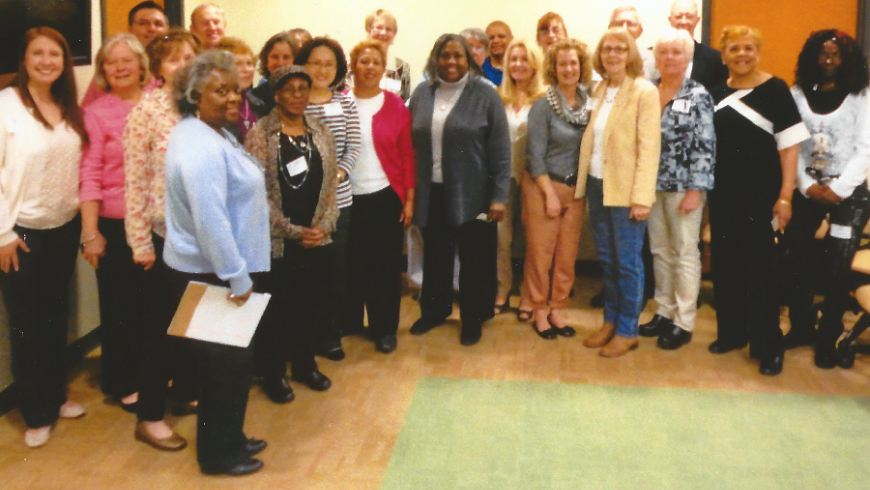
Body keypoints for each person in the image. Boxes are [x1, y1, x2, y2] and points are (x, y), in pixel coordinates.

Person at [164, 50, 269, 475]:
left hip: (216, 270)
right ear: (193, 96)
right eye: (219, 90)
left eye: (235, 89)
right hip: (215, 274)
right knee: (224, 370)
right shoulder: (201, 148)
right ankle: (218, 454)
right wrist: (238, 277)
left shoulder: (208, 132)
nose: (233, 98)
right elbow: (211, 222)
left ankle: (230, 436)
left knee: (226, 368)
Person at [0, 27, 89, 448]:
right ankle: (36, 412)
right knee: (27, 325)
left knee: (57, 316)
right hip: (21, 234)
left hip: (64, 228)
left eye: (55, 54)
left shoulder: (67, 105)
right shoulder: (6, 105)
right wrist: (2, 233)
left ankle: (56, 395)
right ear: (24, 58)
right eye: (38, 53)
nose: (47, 61)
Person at [707, 25, 809, 376]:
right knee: (726, 263)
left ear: (758, 52)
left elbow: (790, 147)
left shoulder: (776, 89)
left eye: (749, 48)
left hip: (762, 196)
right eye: (734, 49)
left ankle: (769, 345)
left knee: (761, 269)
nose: (742, 55)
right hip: (722, 194)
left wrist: (785, 196)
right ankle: (732, 333)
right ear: (723, 55)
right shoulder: (716, 92)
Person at [408, 34, 511, 346]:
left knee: (476, 258)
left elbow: (501, 150)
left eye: (458, 56)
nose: (451, 62)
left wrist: (499, 196)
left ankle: (473, 317)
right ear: (435, 58)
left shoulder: (486, 94)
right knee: (436, 255)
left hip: (476, 196)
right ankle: (435, 311)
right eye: (444, 55)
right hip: (433, 192)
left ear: (469, 59)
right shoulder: (423, 92)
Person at [123, 28, 199, 450]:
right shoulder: (146, 113)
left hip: (200, 239)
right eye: (172, 59)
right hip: (163, 239)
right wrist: (140, 243)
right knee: (159, 334)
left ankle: (185, 392)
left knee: (192, 324)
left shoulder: (201, 108)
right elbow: (134, 183)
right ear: (157, 69)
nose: (183, 64)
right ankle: (150, 418)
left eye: (189, 56)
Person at [246, 65, 339, 401]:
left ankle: (304, 365)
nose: (297, 95)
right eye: (289, 89)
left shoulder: (321, 132)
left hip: (316, 237)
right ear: (275, 94)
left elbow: (330, 188)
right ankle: (275, 374)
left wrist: (323, 226)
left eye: (303, 88)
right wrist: (291, 230)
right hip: (278, 242)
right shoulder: (259, 134)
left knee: (310, 307)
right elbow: (257, 195)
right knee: (277, 311)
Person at [782, 29, 870, 368]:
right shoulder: (797, 93)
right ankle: (803, 326)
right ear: (812, 57)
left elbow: (865, 149)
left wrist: (838, 188)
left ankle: (829, 333)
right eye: (823, 54)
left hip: (848, 193)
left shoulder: (861, 96)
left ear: (846, 58)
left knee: (837, 267)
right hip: (808, 190)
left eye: (836, 54)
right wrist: (806, 186)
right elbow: (793, 145)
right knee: (791, 257)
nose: (829, 60)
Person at [575, 27, 661, 357]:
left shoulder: (643, 91)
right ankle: (610, 321)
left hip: (627, 191)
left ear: (630, 55)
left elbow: (649, 147)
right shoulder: (599, 88)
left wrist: (642, 197)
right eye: (607, 49)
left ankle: (628, 329)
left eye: (619, 49)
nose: (612, 54)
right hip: (598, 184)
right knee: (608, 260)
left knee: (628, 263)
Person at [79, 33, 149, 411]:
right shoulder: (96, 111)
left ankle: (155, 373)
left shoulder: (160, 104)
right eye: (111, 62)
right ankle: (124, 382)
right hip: (114, 223)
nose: (120, 67)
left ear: (142, 65)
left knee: (153, 306)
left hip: (157, 222)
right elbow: (88, 175)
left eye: (127, 59)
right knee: (121, 307)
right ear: (103, 70)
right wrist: (91, 235)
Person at [638, 28, 715, 350]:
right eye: (663, 52)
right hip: (650, 187)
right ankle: (664, 312)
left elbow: (705, 146)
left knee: (684, 253)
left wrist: (696, 189)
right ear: (655, 57)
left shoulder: (698, 95)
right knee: (659, 250)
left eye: (676, 52)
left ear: (687, 58)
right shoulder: (646, 92)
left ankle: (683, 321)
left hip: (685, 189)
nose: (669, 58)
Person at [343, 41, 416, 354]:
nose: (369, 67)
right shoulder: (340, 102)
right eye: (363, 61)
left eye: (376, 62)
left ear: (383, 68)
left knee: (384, 268)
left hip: (385, 195)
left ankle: (385, 328)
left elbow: (407, 156)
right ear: (353, 66)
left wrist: (409, 199)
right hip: (346, 197)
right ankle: (349, 322)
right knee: (350, 264)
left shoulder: (395, 105)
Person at [295, 37, 361, 360]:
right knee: (304, 274)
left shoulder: (345, 102)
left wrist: (338, 175)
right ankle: (302, 338)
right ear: (303, 65)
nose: (321, 70)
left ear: (338, 69)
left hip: (339, 200)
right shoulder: (294, 102)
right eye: (315, 62)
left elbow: (354, 146)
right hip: (300, 201)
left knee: (334, 272)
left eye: (328, 64)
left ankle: (330, 336)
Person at [523, 38, 590, 339]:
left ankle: (558, 309)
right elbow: (534, 155)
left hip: (576, 191)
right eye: (562, 63)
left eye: (573, 63)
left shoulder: (590, 102)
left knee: (566, 256)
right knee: (541, 255)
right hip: (543, 187)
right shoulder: (543, 104)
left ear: (581, 66)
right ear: (554, 67)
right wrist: (549, 194)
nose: (568, 68)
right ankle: (539, 311)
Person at [496, 39, 545, 319]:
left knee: (532, 240)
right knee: (501, 238)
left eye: (524, 59)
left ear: (534, 63)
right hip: (503, 179)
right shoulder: (497, 96)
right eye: (513, 59)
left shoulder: (544, 98)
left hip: (533, 178)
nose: (518, 64)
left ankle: (528, 294)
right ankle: (502, 289)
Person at [79, 1, 168, 107]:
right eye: (143, 23)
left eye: (158, 24)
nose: (151, 29)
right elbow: (86, 114)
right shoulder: (114, 73)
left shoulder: (177, 66)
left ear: (167, 29)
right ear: (130, 29)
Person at [667, 0, 728, 90]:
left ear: (697, 20)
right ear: (670, 20)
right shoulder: (653, 56)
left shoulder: (715, 59)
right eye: (678, 16)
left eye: (689, 17)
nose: (683, 21)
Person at [365, 9, 412, 102]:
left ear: (394, 34)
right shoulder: (352, 62)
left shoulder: (402, 68)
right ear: (368, 30)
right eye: (378, 27)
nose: (383, 33)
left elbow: (403, 103)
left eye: (389, 29)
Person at [216, 37, 258, 139]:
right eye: (238, 64)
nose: (246, 70)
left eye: (249, 63)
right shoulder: (215, 108)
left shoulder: (258, 104)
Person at [248, 32, 296, 119]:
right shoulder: (255, 97)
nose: (280, 63)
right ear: (266, 61)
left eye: (286, 57)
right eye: (274, 57)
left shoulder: (306, 93)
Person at [483, 21, 513, 86]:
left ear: (511, 39)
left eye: (501, 36)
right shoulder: (480, 70)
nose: (496, 41)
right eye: (491, 38)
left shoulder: (518, 67)